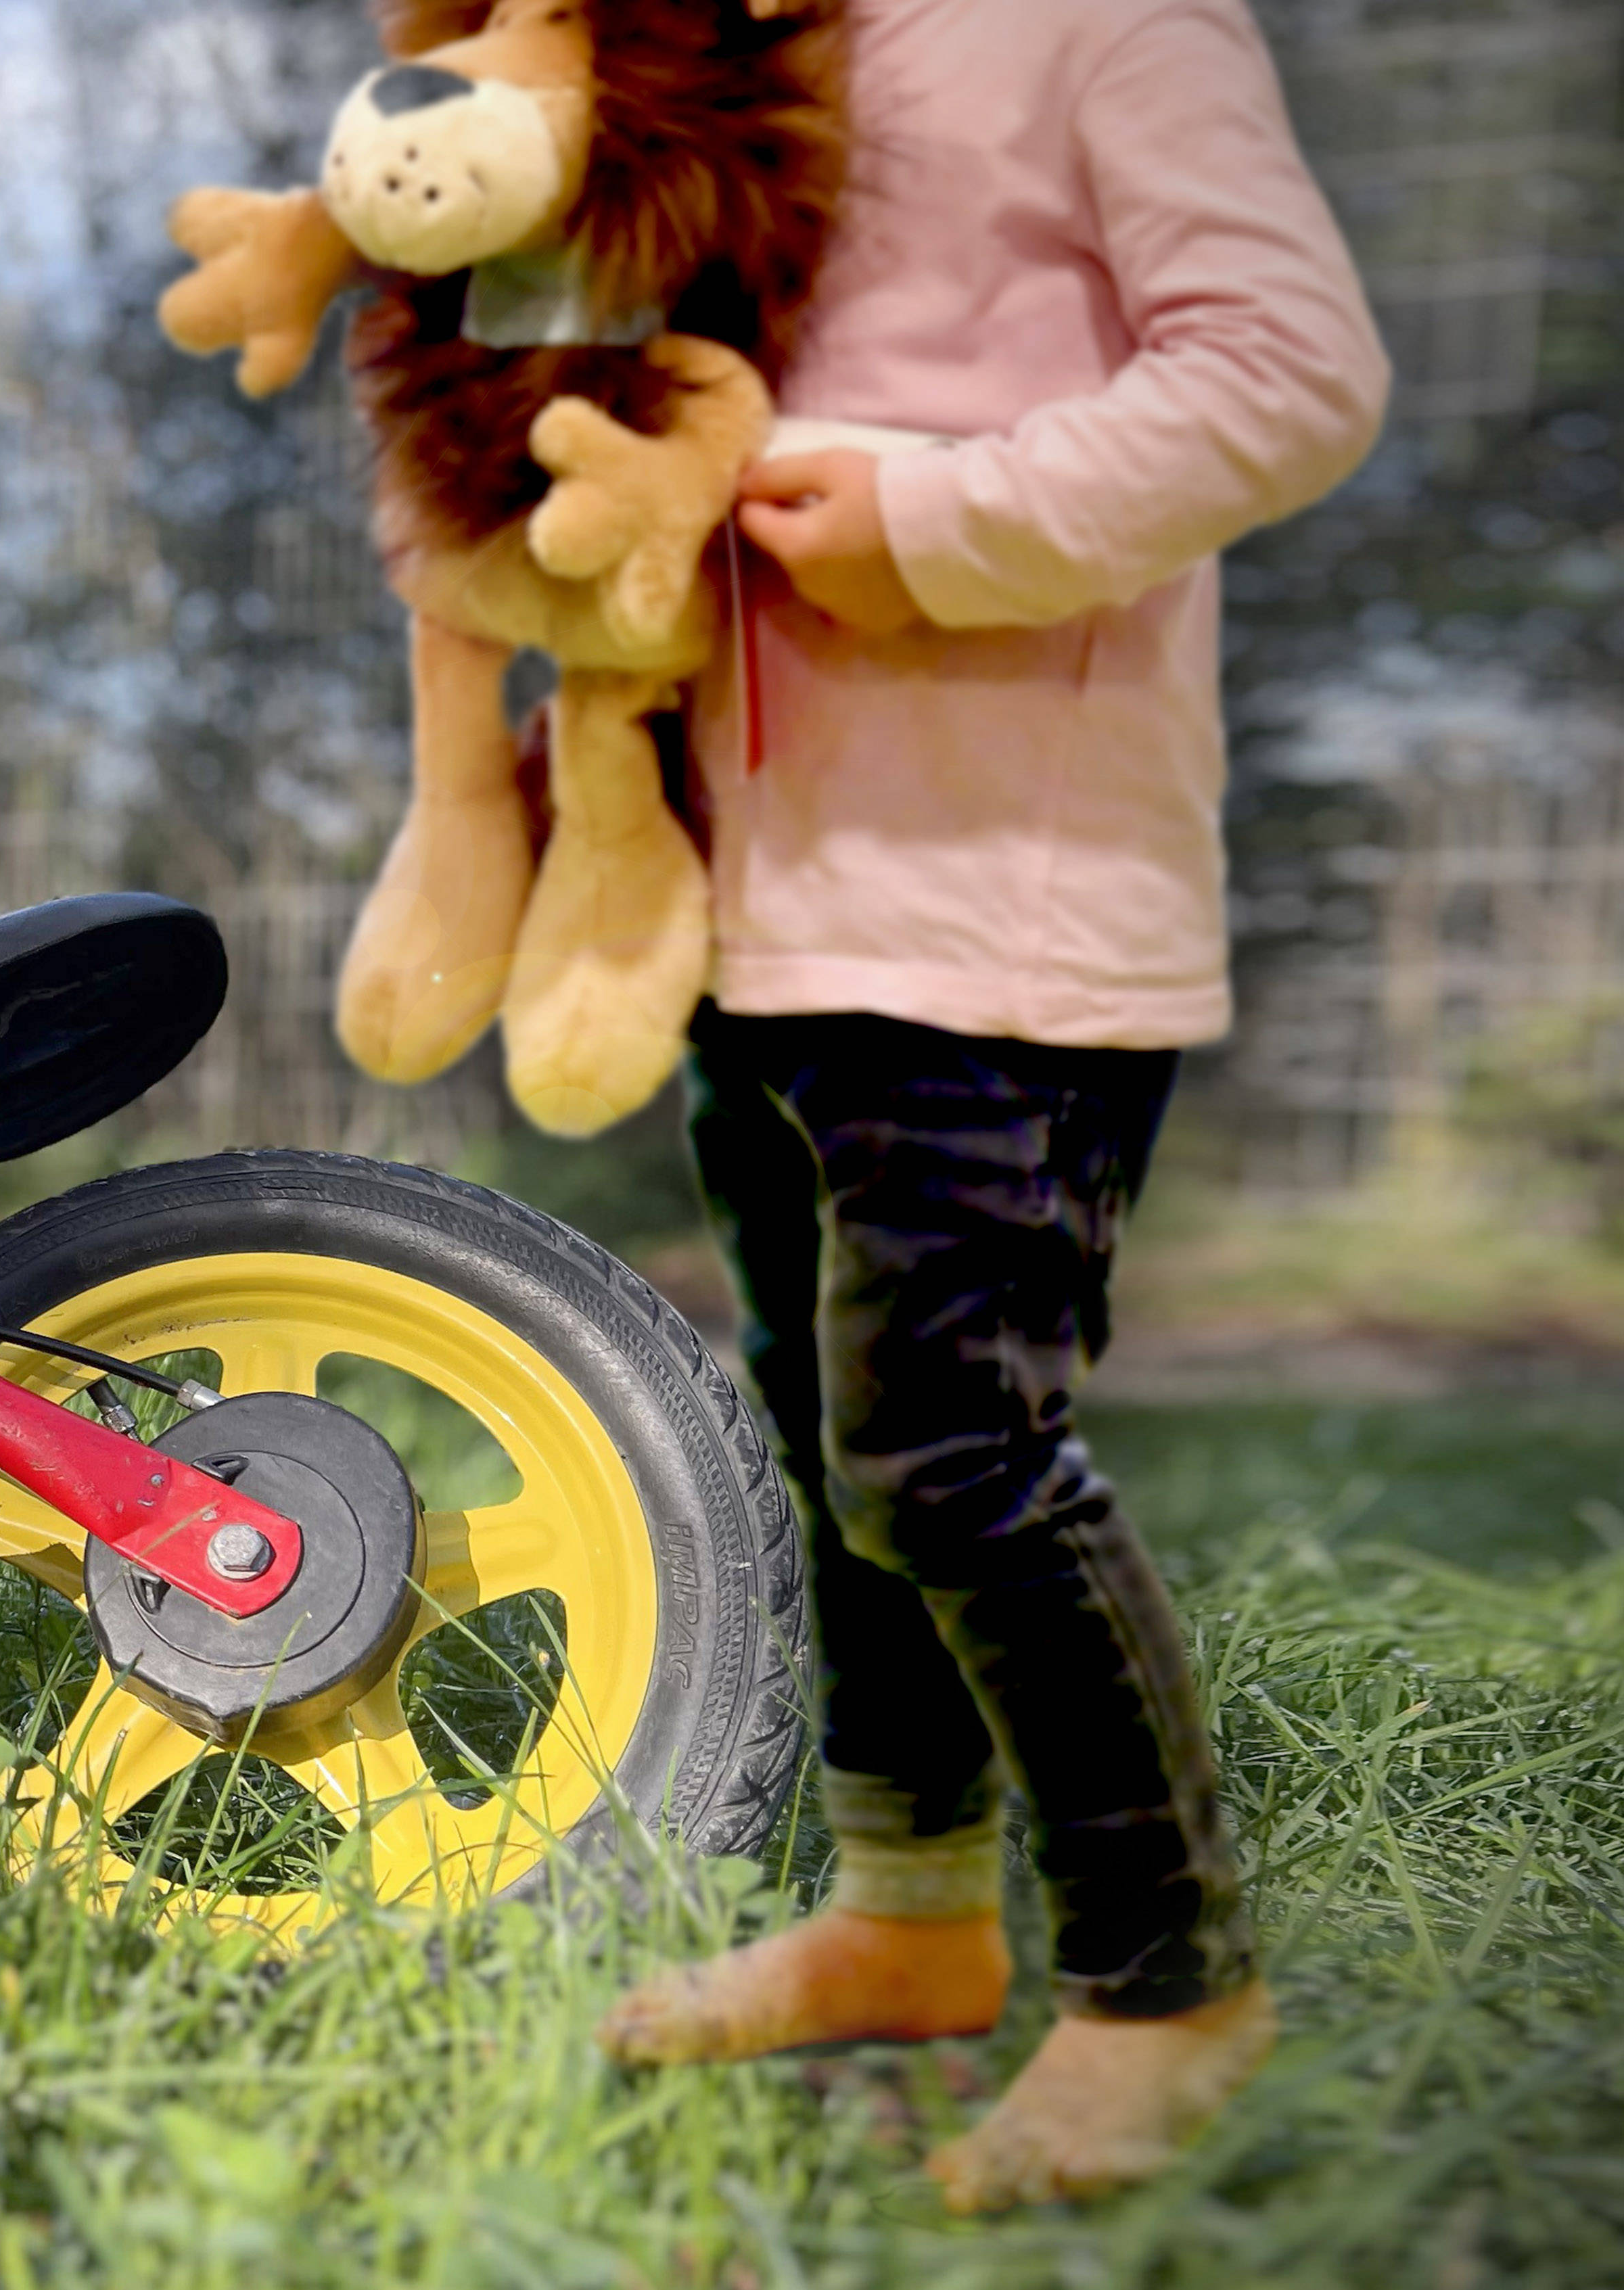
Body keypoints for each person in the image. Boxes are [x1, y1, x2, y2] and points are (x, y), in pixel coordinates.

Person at [590, 0, 1391, 2213]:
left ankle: (1168, 1985)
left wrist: (941, 519)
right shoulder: (726, 67)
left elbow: (1292, 372)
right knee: (826, 1437)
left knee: (956, 1454)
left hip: (1008, 903)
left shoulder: (1106, 23)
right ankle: (910, 1909)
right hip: (760, 906)